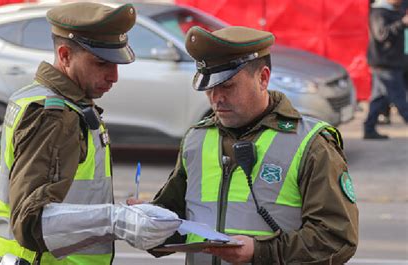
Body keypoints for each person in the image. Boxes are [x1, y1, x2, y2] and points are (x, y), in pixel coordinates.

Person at [129, 26, 359, 264]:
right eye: (209, 87)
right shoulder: (196, 139)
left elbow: (336, 239)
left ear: (263, 78)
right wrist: (147, 222)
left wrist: (260, 251)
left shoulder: (311, 144)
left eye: (227, 86)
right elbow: (175, 221)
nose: (216, 98)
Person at [0, 2, 181, 264]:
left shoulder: (52, 100)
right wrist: (116, 220)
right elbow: (30, 222)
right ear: (65, 55)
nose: (114, 76)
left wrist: (123, 216)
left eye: (117, 64)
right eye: (101, 63)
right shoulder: (54, 115)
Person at [364, 0, 408, 139]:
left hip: (389, 62)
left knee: (379, 98)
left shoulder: (392, 10)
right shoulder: (379, 12)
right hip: (386, 64)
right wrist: (402, 23)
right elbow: (381, 34)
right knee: (399, 97)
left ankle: (369, 129)